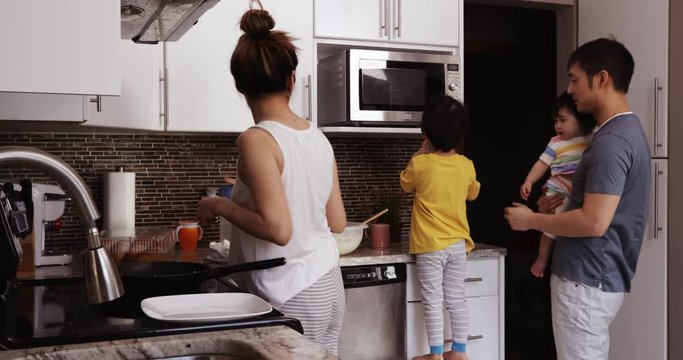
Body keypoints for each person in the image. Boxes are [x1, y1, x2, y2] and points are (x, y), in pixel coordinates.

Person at [196, 2, 347, 355]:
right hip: (328, 283)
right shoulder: (318, 137)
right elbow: (337, 222)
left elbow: (279, 230)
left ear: (239, 84)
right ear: (292, 79)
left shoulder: (256, 139)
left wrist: (220, 204)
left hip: (289, 290)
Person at [504, 37, 651, 360]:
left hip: (585, 281)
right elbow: (588, 207)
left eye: (574, 79)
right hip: (594, 278)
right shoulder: (619, 133)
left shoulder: (611, 141)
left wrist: (531, 220)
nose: (569, 90)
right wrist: (551, 210)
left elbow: (593, 221)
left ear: (601, 79)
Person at [400, 94, 480, 360]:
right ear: (461, 134)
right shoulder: (466, 165)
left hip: (430, 247)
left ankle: (435, 354)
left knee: (433, 301)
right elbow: (473, 194)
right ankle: (459, 351)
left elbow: (405, 185)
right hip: (458, 245)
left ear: (426, 133)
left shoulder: (420, 164)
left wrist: (421, 152)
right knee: (456, 299)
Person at [519, 92, 596, 278]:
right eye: (555, 121)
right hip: (558, 189)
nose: (558, 126)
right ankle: (542, 258)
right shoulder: (555, 143)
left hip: (580, 191)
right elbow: (542, 164)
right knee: (551, 228)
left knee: (577, 222)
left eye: (563, 120)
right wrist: (529, 180)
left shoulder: (592, 137)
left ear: (581, 118)